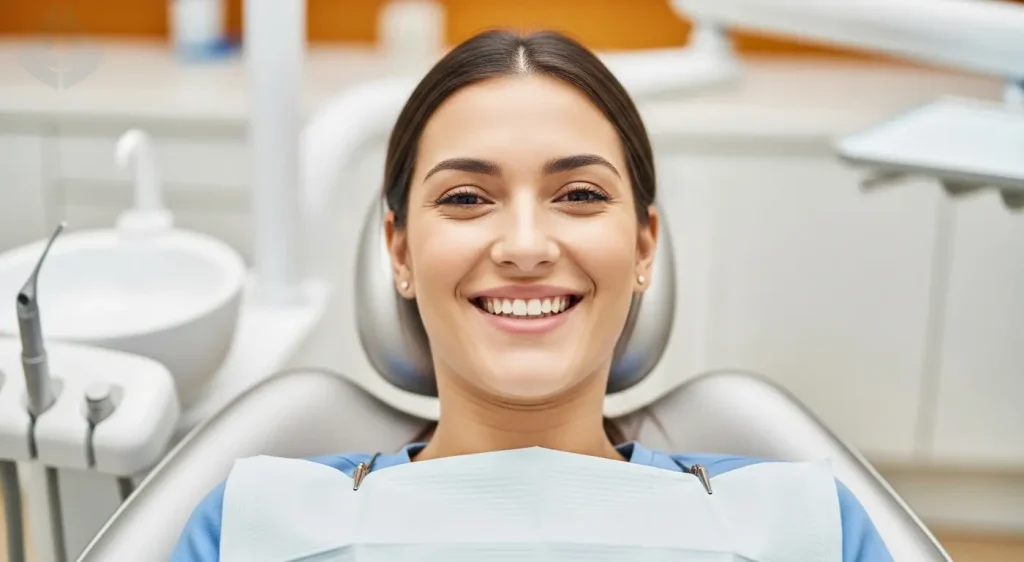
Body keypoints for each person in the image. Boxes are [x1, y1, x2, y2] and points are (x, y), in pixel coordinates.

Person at [171, 29, 893, 561]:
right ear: (400, 251)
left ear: (644, 246)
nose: (524, 245)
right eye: (466, 197)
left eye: (578, 194)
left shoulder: (804, 527)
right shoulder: (252, 527)